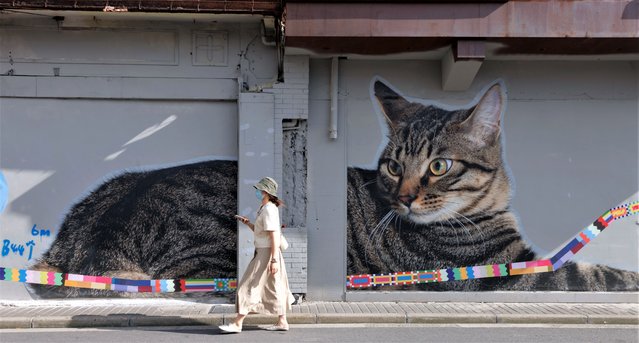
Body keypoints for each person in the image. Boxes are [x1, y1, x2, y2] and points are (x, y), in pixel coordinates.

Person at [219, 177, 294, 333]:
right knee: (275, 286)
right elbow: (263, 233)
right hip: (266, 251)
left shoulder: (269, 210)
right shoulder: (265, 208)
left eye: (259, 190)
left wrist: (273, 260)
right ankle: (282, 321)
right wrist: (248, 223)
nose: (257, 192)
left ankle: (237, 322)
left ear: (265, 192)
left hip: (267, 253)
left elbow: (274, 236)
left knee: (248, 285)